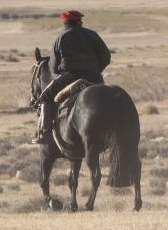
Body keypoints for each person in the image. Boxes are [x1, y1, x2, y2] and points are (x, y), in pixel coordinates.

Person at [31, 10, 111, 144]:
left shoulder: (60, 37)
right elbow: (106, 57)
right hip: (95, 77)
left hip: (70, 77)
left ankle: (45, 134)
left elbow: (53, 67)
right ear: (79, 22)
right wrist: (96, 70)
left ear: (65, 23)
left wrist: (62, 71)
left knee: (45, 97)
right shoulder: (92, 35)